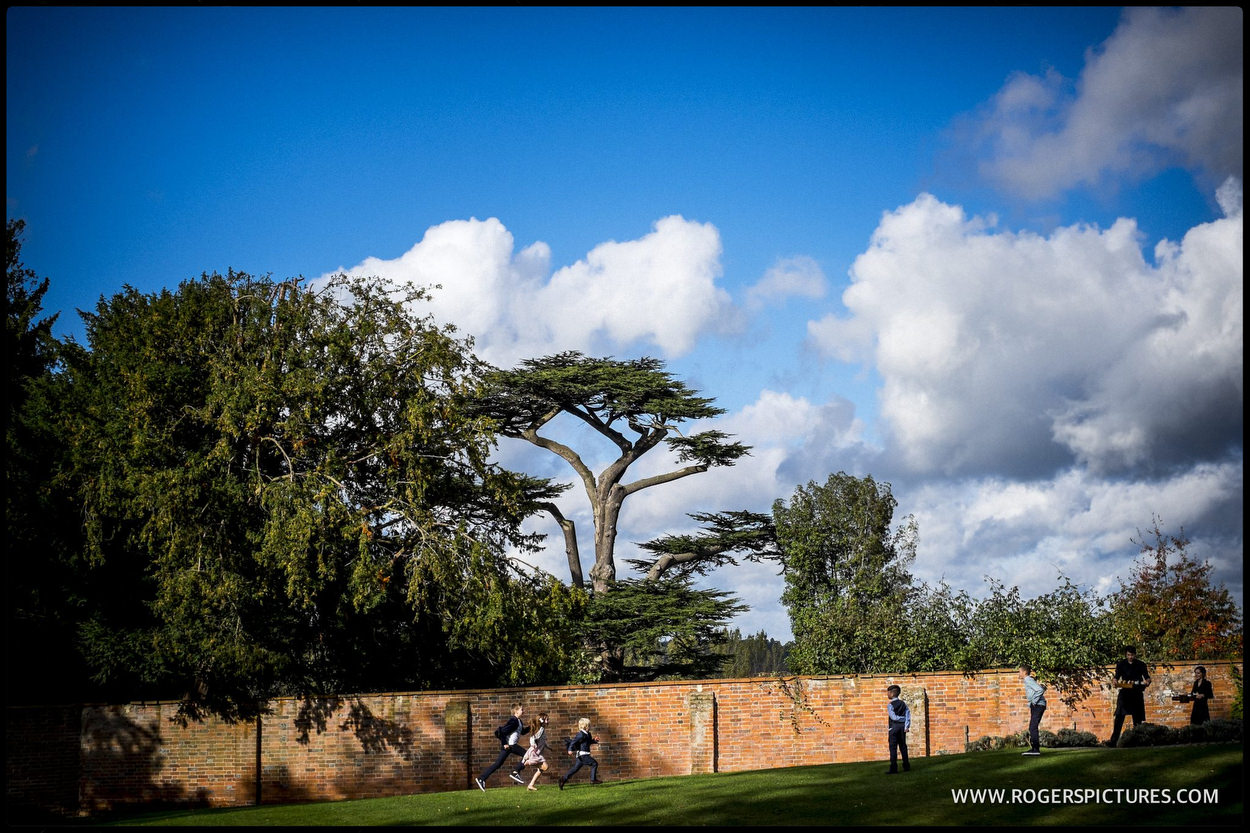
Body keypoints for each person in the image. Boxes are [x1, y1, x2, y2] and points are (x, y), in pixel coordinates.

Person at [475, 704, 528, 791]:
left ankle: (481, 779)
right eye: (522, 709)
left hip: (509, 746)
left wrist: (533, 726)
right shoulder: (513, 720)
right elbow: (501, 732)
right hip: (510, 745)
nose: (524, 711)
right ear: (516, 711)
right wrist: (504, 743)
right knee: (527, 754)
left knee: (497, 764)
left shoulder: (519, 721)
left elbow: (523, 732)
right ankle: (515, 772)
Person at [1106, 646, 1150, 747]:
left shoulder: (1141, 664)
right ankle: (1113, 742)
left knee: (1137, 718)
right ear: (1126, 655)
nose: (1130, 657)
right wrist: (1115, 681)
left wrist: (1147, 682)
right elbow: (1116, 677)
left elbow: (1147, 678)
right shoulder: (1121, 664)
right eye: (1128, 655)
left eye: (1132, 655)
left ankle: (1138, 741)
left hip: (1136, 693)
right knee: (1119, 717)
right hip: (1124, 693)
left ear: (1135, 654)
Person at [558, 717, 600, 789]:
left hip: (583, 755)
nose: (590, 726)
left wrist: (594, 740)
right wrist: (570, 749)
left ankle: (563, 779)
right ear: (585, 726)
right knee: (594, 763)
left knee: (575, 769)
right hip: (583, 754)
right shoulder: (580, 734)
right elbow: (574, 741)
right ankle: (593, 779)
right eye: (589, 725)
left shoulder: (588, 734)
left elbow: (588, 742)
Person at [1020, 665, 1047, 756]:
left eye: (1020, 671)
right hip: (1037, 705)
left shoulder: (1028, 679)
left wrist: (1034, 701)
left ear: (1024, 672)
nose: (1019, 673)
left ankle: (1035, 749)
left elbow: (1040, 690)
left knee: (1033, 726)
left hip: (1038, 705)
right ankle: (1034, 748)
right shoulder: (1028, 680)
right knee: (1032, 726)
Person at [521, 712, 551, 790]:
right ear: (542, 720)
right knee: (545, 766)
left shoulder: (542, 729)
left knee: (543, 768)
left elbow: (543, 741)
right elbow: (532, 738)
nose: (548, 721)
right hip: (534, 752)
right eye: (546, 719)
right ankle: (528, 762)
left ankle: (531, 785)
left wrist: (548, 747)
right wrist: (533, 744)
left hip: (537, 752)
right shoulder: (541, 729)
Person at [885, 685, 910, 774]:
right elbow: (908, 715)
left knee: (893, 747)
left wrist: (900, 719)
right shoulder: (903, 703)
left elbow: (893, 717)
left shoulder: (890, 705)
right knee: (903, 746)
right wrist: (906, 726)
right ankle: (906, 766)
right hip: (902, 727)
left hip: (894, 727)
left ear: (891, 693)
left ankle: (893, 768)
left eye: (888, 692)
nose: (887, 694)